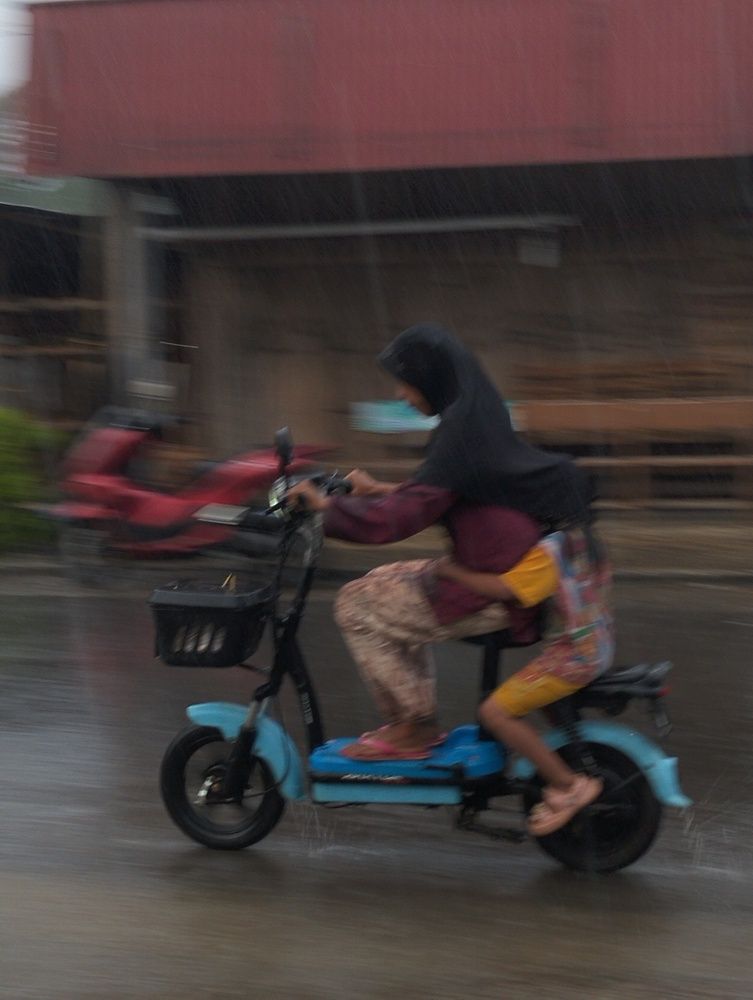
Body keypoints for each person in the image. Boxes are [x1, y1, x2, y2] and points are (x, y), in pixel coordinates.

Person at [288, 323, 602, 831]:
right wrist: (370, 490)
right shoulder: (477, 413)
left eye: (405, 382)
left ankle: (413, 726)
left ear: (431, 378)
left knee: (355, 604)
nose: (401, 393)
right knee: (382, 585)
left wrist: (327, 510)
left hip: (489, 581)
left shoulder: (459, 431)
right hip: (491, 562)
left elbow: (406, 516)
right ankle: (415, 718)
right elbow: (442, 491)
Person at [435, 525, 613, 835]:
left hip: (574, 656)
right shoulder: (583, 538)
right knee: (536, 703)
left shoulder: (549, 552)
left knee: (493, 712)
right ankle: (563, 767)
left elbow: (507, 589)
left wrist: (452, 571)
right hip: (599, 643)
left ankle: (568, 785)